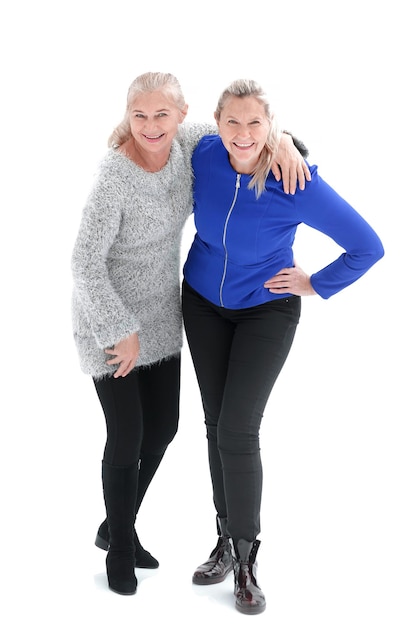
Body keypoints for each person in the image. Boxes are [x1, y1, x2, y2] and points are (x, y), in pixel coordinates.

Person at [71, 72, 309, 596]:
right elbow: (84, 263)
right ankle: (120, 547)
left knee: (164, 429)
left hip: (162, 314)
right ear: (126, 116)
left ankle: (115, 524)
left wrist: (286, 140)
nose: (151, 126)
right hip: (107, 317)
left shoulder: (186, 142)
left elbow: (243, 131)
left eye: (161, 115)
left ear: (180, 116)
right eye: (140, 116)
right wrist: (118, 328)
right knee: (128, 434)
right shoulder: (115, 176)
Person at [181, 78, 384, 615]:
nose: (243, 134)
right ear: (217, 124)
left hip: (265, 310)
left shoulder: (294, 179)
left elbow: (368, 246)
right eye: (232, 122)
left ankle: (247, 561)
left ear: (270, 126)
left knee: (238, 428)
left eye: (256, 123)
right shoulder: (205, 151)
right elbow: (168, 135)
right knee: (213, 423)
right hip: (201, 302)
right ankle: (223, 542)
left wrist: (316, 283)